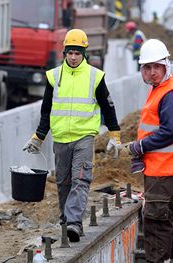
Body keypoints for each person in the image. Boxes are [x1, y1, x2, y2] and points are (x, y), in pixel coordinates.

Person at [23, 29, 121, 243]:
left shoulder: (95, 77)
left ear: (84, 53)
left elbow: (108, 108)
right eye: (70, 53)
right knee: (64, 182)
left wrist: (115, 136)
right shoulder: (54, 76)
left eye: (78, 53)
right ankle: (67, 224)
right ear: (64, 53)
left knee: (80, 179)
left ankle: (74, 223)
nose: (74, 57)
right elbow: (46, 110)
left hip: (84, 137)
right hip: (60, 139)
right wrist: (38, 137)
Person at [126, 39, 173, 263]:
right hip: (165, 170)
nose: (152, 72)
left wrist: (140, 146)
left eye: (156, 67)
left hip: (165, 171)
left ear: (166, 66)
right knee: (167, 219)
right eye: (147, 67)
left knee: (156, 223)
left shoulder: (169, 94)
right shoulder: (161, 89)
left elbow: (170, 131)